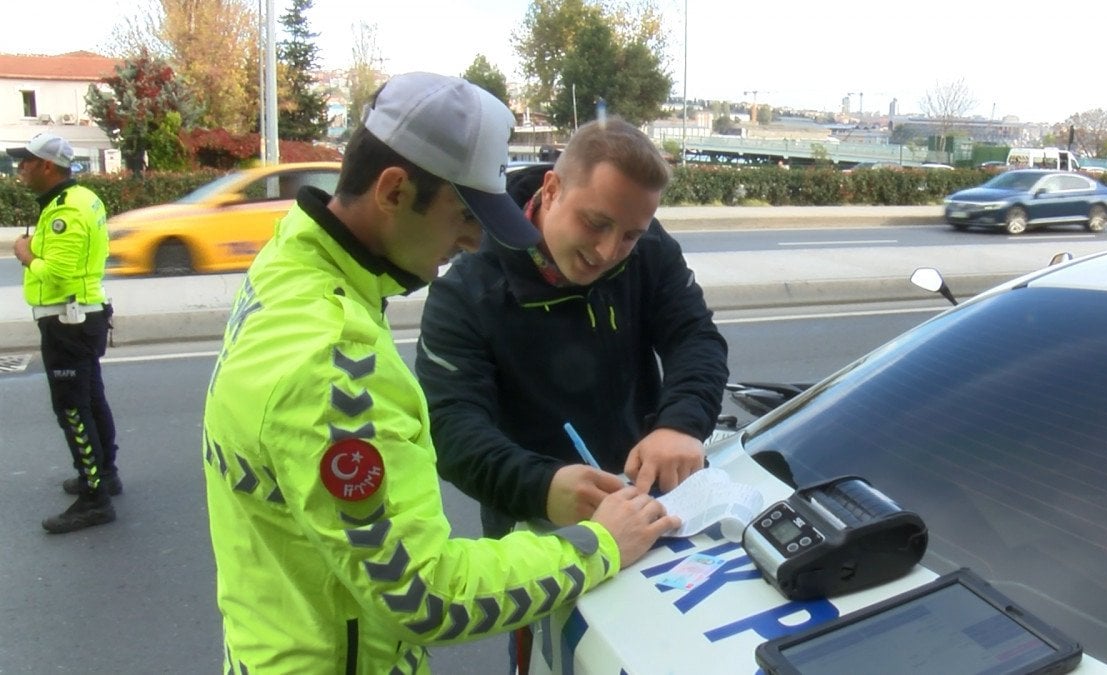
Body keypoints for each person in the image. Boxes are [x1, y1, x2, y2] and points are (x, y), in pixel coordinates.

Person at [201, 72, 679, 673]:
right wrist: (600, 544)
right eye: (463, 212)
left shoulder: (289, 264)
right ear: (395, 190)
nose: (474, 236)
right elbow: (427, 596)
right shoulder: (334, 367)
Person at [416, 118, 729, 542]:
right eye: (596, 223)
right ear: (551, 189)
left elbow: (694, 337)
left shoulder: (649, 249)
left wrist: (682, 424)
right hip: (538, 519)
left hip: (649, 496)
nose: (608, 251)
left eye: (629, 235)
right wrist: (542, 486)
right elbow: (451, 426)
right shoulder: (467, 290)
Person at [7, 133, 120, 534]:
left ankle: (94, 499)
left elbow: (58, 273)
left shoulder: (65, 212)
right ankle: (104, 473)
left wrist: (26, 255)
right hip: (81, 317)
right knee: (90, 399)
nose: (21, 168)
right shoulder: (79, 199)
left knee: (72, 408)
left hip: (66, 322)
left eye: (27, 161)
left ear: (49, 167)